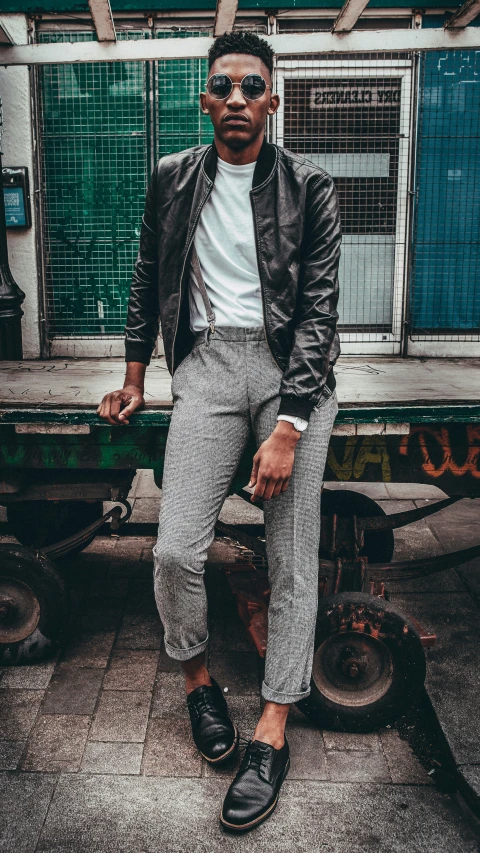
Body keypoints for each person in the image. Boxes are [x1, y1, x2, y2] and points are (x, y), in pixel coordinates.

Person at [97, 30, 341, 833]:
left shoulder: (311, 185)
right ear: (204, 100)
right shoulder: (172, 178)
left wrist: (292, 424)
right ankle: (199, 680)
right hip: (206, 365)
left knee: (291, 553)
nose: (236, 98)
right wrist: (135, 378)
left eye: (251, 87)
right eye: (221, 87)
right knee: (173, 549)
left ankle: (273, 723)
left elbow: (317, 314)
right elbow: (145, 276)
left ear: (273, 98)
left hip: (288, 370)